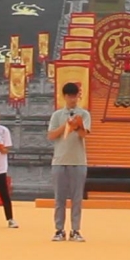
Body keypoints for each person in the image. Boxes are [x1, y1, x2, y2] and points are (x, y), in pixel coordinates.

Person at [47, 82, 91, 242]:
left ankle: (75, 230)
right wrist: (65, 125)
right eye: (70, 96)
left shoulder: (84, 114)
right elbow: (51, 136)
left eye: (75, 96)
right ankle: (59, 230)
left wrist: (77, 126)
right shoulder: (57, 115)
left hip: (78, 161)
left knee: (77, 198)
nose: (73, 99)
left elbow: (84, 135)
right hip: (59, 161)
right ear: (64, 97)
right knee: (59, 198)